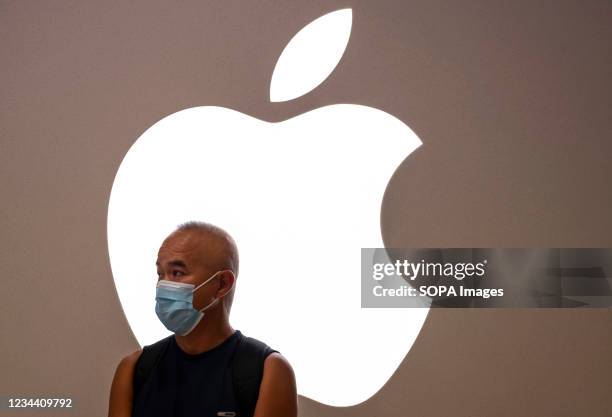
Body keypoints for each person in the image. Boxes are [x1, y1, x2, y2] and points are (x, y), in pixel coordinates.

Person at [108, 221, 298, 417]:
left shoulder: (267, 371)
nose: (163, 285)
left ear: (222, 284)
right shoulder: (134, 369)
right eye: (160, 274)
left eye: (177, 273)